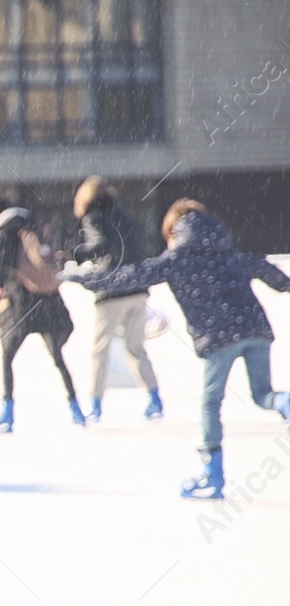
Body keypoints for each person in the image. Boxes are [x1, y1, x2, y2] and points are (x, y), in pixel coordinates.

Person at [63, 199, 290, 499]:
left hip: (218, 336)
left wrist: (82, 277)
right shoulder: (229, 251)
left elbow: (130, 276)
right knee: (264, 394)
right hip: (256, 328)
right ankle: (284, 402)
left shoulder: (177, 258)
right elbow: (268, 271)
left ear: (172, 230)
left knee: (210, 403)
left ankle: (213, 475)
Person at [0, 201, 86, 433]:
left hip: (22, 304)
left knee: (7, 356)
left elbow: (1, 260)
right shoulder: (31, 225)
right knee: (57, 356)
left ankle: (7, 412)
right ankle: (76, 407)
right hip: (50, 302)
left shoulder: (2, 231)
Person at [72, 176, 163, 421]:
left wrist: (78, 254)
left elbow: (101, 245)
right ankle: (155, 398)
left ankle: (96, 404)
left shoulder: (92, 218)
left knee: (100, 350)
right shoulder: (126, 216)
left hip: (112, 291)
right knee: (136, 348)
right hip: (138, 288)